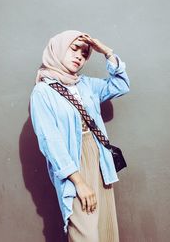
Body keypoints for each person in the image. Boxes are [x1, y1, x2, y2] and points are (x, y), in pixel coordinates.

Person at [30, 30, 130, 242]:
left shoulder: (85, 84)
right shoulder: (42, 92)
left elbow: (121, 85)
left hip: (99, 159)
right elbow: (51, 142)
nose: (79, 56)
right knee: (86, 233)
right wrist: (79, 183)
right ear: (57, 50)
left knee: (104, 228)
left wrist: (107, 52)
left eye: (84, 54)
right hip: (73, 163)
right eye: (73, 49)